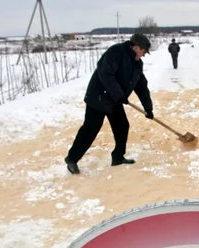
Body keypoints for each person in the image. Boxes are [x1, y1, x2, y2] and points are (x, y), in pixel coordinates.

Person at [64, 33, 154, 174]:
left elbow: (141, 86)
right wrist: (119, 95)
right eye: (143, 51)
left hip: (114, 100)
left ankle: (117, 157)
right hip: (98, 98)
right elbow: (106, 74)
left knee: (122, 126)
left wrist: (148, 108)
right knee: (90, 130)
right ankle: (72, 159)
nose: (144, 55)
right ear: (136, 47)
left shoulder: (137, 63)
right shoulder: (116, 52)